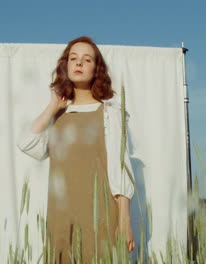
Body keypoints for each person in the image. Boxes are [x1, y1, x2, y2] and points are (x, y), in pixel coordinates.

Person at [18, 36, 135, 263]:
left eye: (87, 59)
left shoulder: (110, 113)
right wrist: (53, 106)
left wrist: (125, 220)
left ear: (96, 69)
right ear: (66, 65)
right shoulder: (58, 115)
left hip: (100, 217)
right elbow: (26, 143)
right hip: (61, 219)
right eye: (73, 58)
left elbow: (122, 170)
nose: (79, 63)